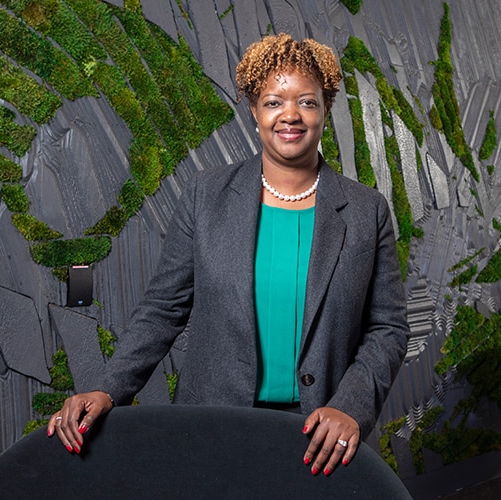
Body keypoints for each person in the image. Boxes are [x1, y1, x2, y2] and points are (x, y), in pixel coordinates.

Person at [47, 32, 409, 477]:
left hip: (318, 439)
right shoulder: (206, 195)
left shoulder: (366, 210)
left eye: (307, 102)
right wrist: (107, 389)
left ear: (326, 109)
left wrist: (350, 407)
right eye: (274, 102)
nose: (290, 115)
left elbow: (387, 328)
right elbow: (163, 310)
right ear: (255, 110)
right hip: (213, 427)